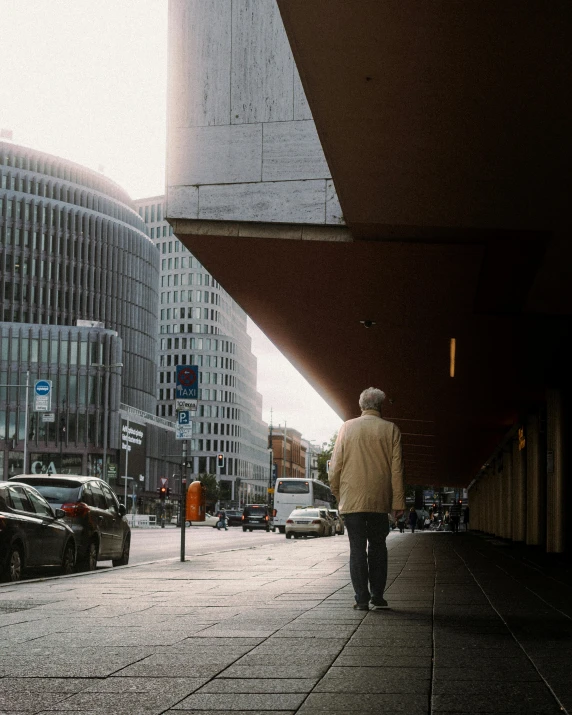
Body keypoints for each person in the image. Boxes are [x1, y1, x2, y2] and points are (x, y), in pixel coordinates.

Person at [329, 387, 405, 611]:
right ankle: (378, 596)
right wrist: (398, 503)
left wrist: (338, 493)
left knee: (357, 549)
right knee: (378, 548)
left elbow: (335, 467)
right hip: (379, 501)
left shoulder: (347, 428)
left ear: (361, 406)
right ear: (380, 406)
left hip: (352, 501)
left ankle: (361, 599)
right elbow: (397, 470)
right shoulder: (391, 430)